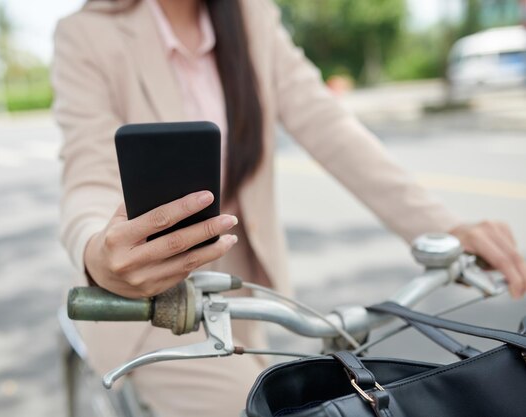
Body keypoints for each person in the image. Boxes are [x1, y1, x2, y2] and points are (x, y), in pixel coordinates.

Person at [51, 0, 526, 415]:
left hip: (249, 297)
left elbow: (328, 124)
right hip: (154, 306)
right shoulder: (88, 33)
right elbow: (87, 171)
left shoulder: (250, 15)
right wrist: (98, 253)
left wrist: (444, 229)